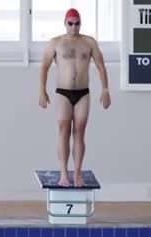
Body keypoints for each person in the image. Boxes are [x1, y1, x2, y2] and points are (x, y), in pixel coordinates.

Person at [39, 8, 111, 187]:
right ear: (65, 23)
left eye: (77, 23)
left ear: (81, 24)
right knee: (64, 130)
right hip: (63, 92)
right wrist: (42, 90)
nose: (73, 27)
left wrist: (105, 89)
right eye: (70, 23)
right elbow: (44, 67)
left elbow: (101, 66)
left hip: (82, 92)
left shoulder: (89, 42)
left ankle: (77, 173)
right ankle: (64, 173)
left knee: (80, 132)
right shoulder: (55, 43)